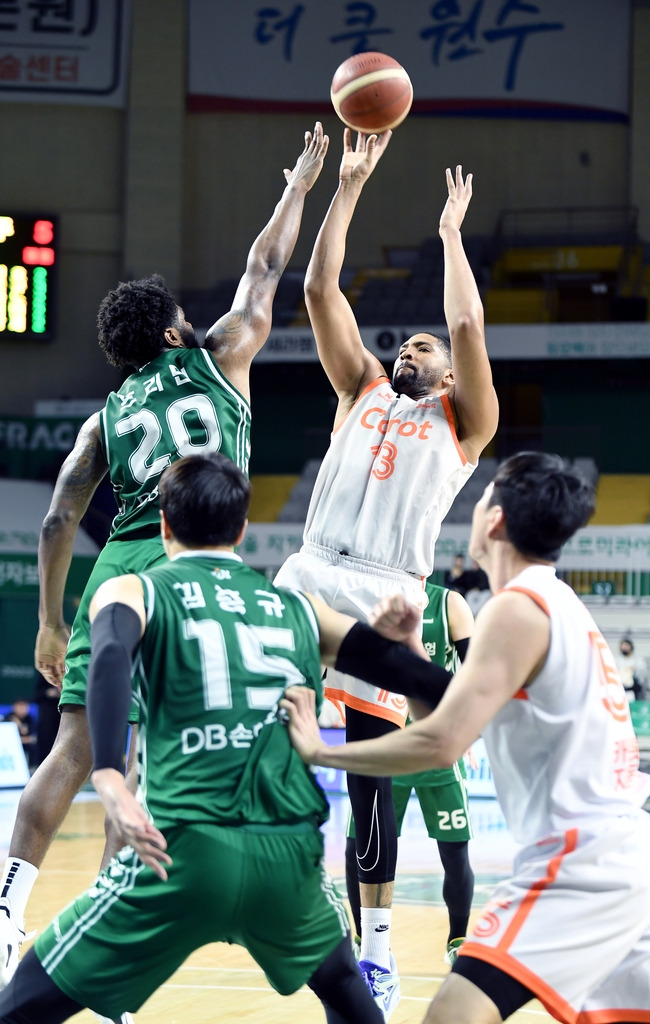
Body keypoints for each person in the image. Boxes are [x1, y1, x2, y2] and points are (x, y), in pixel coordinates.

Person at [0, 122, 329, 1008]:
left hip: (120, 570)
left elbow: (60, 516)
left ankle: (4, 915)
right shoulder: (221, 357)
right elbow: (264, 270)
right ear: (180, 325)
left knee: (77, 750)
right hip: (195, 563)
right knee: (144, 764)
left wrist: (49, 619)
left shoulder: (105, 416)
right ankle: (114, 910)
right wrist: (296, 186)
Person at [0, 451, 459, 1024]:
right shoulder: (301, 608)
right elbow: (434, 691)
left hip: (181, 854)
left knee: (19, 1005)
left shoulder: (130, 589)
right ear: (242, 530)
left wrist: (111, 774)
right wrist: (408, 647)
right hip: (288, 862)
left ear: (164, 525)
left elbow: (111, 658)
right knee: (344, 988)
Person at [282, 451, 650, 1024]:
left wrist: (321, 750)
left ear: (495, 520)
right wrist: (410, 656)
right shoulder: (555, 602)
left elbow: (441, 745)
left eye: (481, 499)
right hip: (624, 856)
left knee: (451, 1015)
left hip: (582, 865)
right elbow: (449, 719)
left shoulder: (515, 609)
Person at [274, 126, 498, 1017]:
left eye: (422, 347)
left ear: (446, 372)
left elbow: (469, 322)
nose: (409, 351)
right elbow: (318, 287)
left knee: (371, 788)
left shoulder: (461, 423)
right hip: (309, 573)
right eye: (402, 345)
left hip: (384, 592)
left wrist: (449, 237)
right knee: (244, 713)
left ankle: (375, 953)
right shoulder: (359, 388)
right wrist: (349, 186)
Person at [345, 582, 475, 967]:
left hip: (436, 749)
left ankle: (458, 939)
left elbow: (473, 673)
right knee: (358, 847)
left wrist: (465, 722)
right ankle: (362, 940)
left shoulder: (450, 602)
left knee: (455, 851)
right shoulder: (364, 593)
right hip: (385, 743)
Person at [1, 701, 37, 770]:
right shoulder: (8, 718)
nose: (22, 709)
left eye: (24, 707)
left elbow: (32, 737)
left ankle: (32, 768)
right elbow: (5, 737)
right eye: (19, 706)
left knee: (33, 746)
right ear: (14, 707)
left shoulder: (29, 719)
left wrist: (20, 726)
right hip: (9, 744)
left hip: (24, 743)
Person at [616, 636, 645, 703]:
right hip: (620, 688)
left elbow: (642, 676)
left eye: (626, 645)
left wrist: (634, 670)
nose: (624, 647)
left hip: (632, 690)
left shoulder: (637, 660)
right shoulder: (617, 659)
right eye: (622, 645)